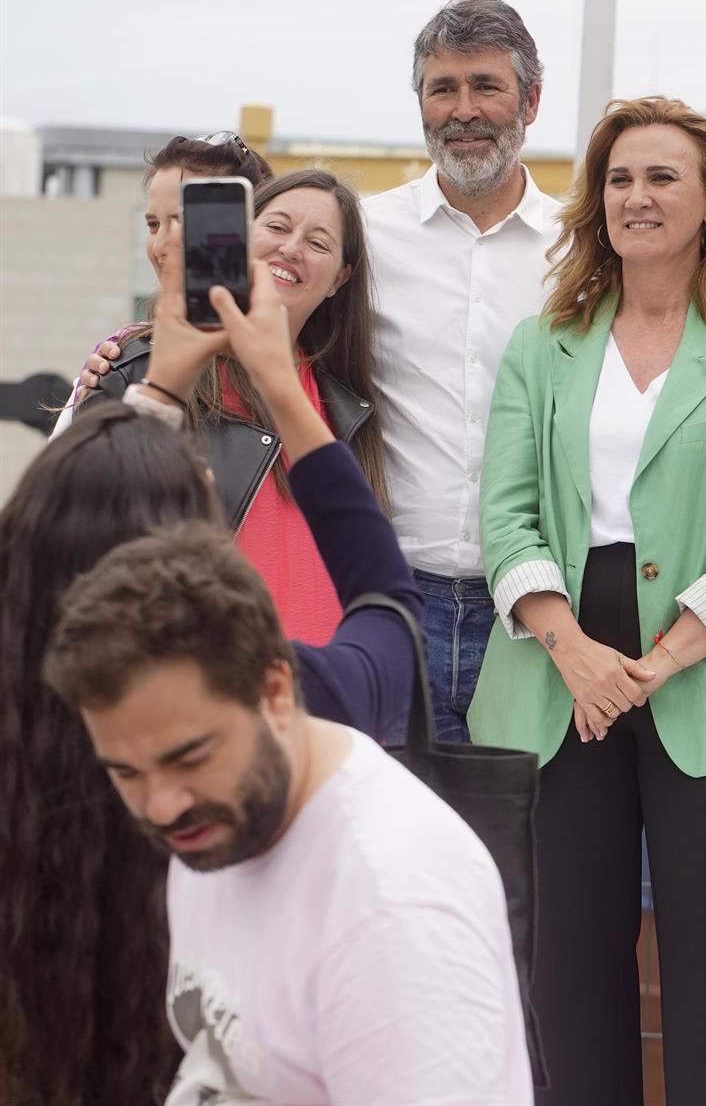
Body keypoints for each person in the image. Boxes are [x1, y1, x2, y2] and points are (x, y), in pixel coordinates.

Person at [0, 243, 422, 1105]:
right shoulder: (253, 708)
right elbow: (389, 611)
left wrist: (154, 385)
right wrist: (282, 390)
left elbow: (80, 507)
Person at [469, 95, 706, 1105]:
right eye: (619, 178)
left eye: (661, 177)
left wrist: (656, 664)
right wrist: (574, 650)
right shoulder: (545, 344)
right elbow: (507, 515)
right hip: (556, 664)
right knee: (563, 959)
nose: (636, 195)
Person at [43, 524, 530, 1103]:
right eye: (126, 772)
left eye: (190, 758)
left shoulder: (392, 910)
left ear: (275, 692)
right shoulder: (223, 818)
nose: (161, 804)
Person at [360, 0, 562, 742]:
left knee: (527, 851)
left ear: (531, 101)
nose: (463, 110)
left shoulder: (582, 252)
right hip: (390, 599)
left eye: (485, 86)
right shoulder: (362, 236)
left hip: (537, 609)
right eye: (442, 89)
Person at [78, 168, 388, 648]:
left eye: (319, 243)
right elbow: (81, 536)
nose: (291, 248)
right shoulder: (139, 373)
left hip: (328, 696)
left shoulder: (351, 409)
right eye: (277, 227)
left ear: (339, 279)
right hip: (205, 684)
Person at [56, 131, 275, 426]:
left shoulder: (319, 366)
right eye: (153, 224)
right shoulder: (120, 360)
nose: (160, 245)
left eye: (184, 219)